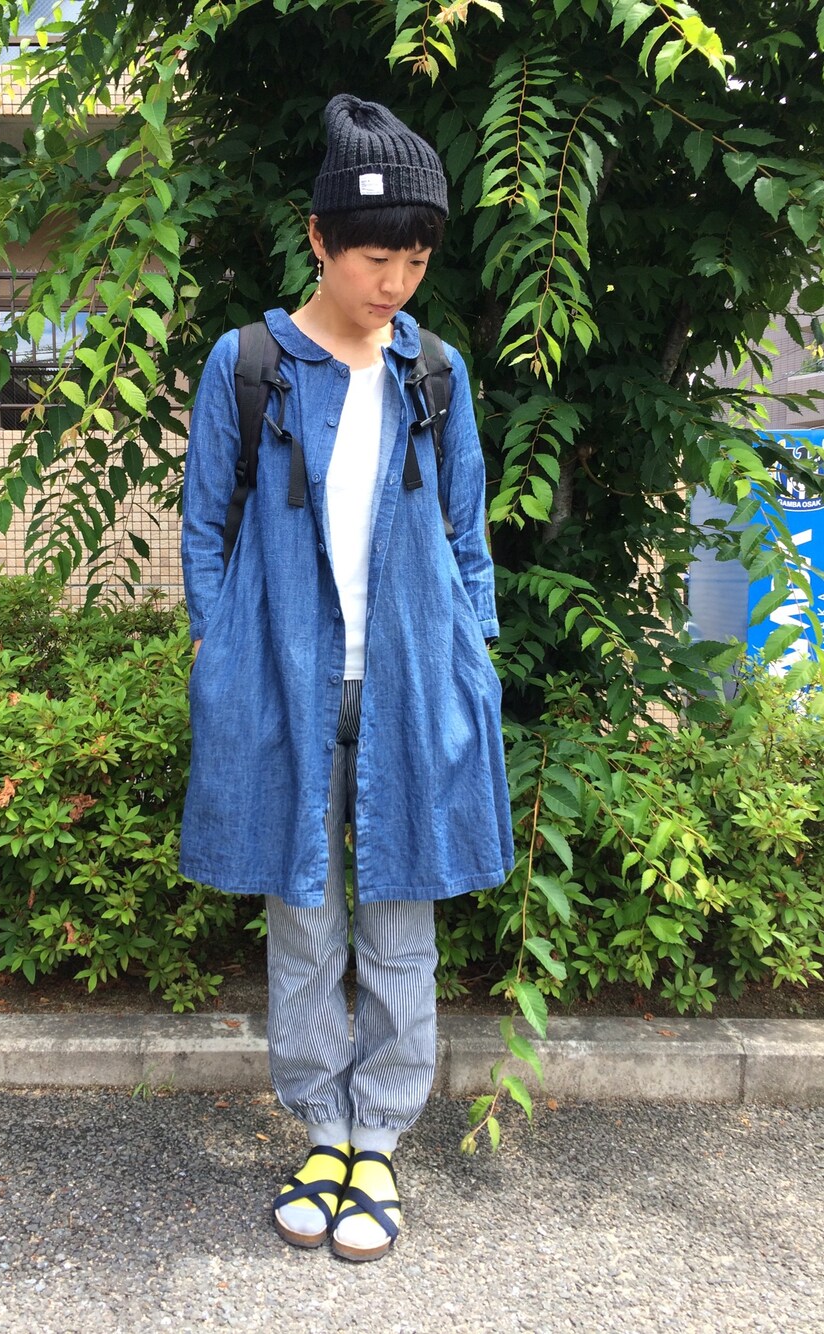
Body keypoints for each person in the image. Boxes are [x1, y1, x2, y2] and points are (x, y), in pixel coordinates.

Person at [179, 93, 513, 1262]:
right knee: (306, 924)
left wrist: (473, 653)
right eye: (376, 256)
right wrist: (215, 650)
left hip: (411, 684)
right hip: (282, 682)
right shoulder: (250, 363)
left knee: (402, 923)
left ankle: (379, 1140)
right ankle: (322, 1131)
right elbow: (204, 528)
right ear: (318, 238)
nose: (395, 282)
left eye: (415, 259)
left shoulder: (437, 372)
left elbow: (468, 530)